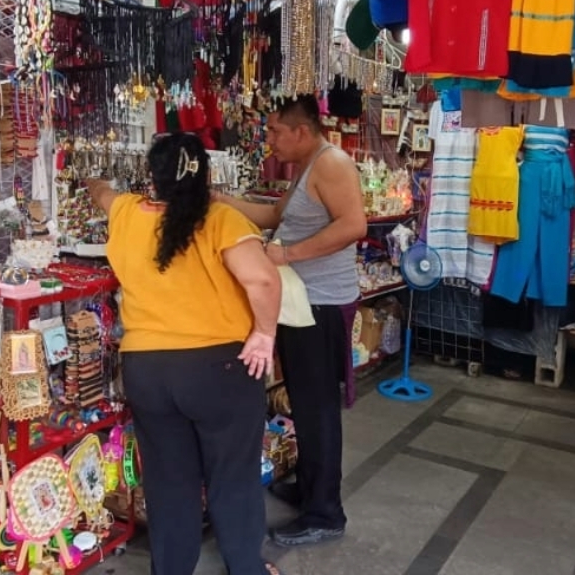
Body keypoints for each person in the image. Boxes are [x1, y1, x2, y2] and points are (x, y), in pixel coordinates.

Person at [87, 133, 282, 575]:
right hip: (219, 371)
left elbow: (103, 194)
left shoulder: (127, 212)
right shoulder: (221, 219)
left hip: (147, 371)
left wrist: (94, 182)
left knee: (169, 484)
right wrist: (264, 334)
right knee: (232, 478)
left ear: (151, 177)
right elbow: (264, 280)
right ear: (206, 176)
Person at [217, 95, 367, 547]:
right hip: (302, 303)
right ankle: (309, 488)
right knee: (304, 404)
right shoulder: (305, 167)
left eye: (275, 131)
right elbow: (273, 216)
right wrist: (219, 201)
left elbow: (354, 225)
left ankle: (325, 513)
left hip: (320, 305)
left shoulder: (331, 163)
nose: (270, 139)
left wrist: (289, 254)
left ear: (301, 131)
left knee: (317, 410)